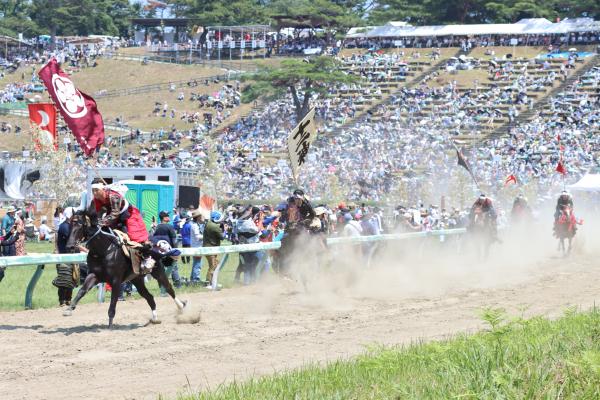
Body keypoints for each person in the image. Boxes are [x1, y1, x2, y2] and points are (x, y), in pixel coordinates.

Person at [53, 207, 79, 306]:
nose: (75, 218)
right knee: (64, 280)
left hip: (71, 256)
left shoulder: (70, 226)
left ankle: (68, 299)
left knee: (72, 278)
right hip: (64, 256)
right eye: (74, 216)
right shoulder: (64, 226)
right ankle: (62, 300)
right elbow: (71, 238)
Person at [152, 210, 181, 288]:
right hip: (169, 251)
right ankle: (177, 284)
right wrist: (176, 251)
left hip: (159, 251)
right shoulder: (169, 227)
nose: (169, 217)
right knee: (173, 267)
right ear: (164, 218)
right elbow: (174, 240)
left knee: (161, 268)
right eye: (167, 216)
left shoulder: (157, 227)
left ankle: (161, 284)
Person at [203, 211, 224, 288]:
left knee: (215, 264)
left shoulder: (208, 223)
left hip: (208, 247)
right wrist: (223, 229)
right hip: (211, 248)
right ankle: (208, 283)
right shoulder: (215, 227)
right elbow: (222, 237)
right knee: (213, 265)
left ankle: (212, 282)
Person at [189, 209, 205, 284]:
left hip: (196, 246)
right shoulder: (195, 225)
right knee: (198, 264)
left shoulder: (195, 224)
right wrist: (206, 236)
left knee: (196, 263)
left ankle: (193, 278)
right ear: (198, 217)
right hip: (197, 247)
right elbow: (197, 236)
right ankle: (196, 279)